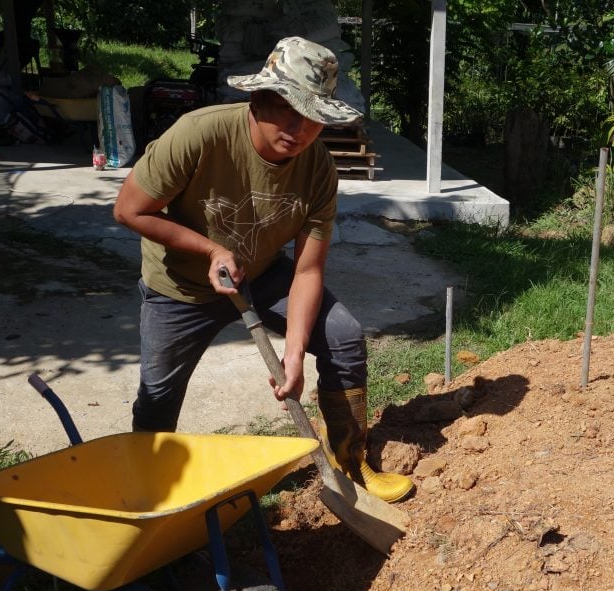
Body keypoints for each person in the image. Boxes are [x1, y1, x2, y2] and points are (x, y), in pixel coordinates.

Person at [113, 36, 413, 503]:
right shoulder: (200, 134)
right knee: (157, 395)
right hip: (181, 288)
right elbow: (130, 210)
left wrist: (293, 353)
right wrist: (211, 250)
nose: (300, 129)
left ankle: (351, 460)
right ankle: (146, 490)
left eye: (313, 118)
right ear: (259, 100)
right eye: (289, 111)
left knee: (343, 336)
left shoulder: (317, 169)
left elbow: (309, 270)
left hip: (263, 274)